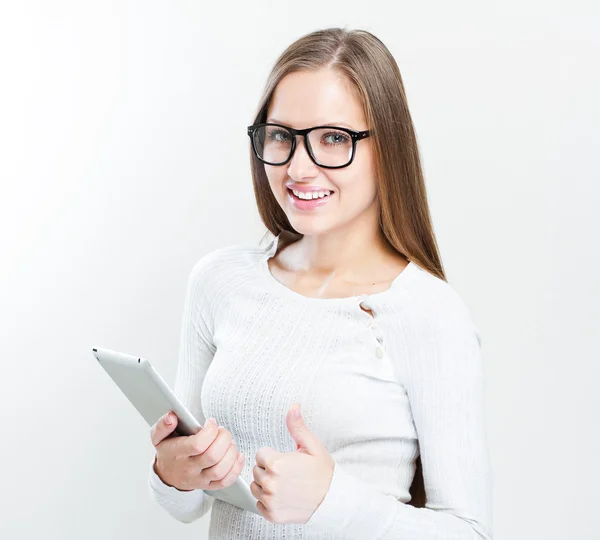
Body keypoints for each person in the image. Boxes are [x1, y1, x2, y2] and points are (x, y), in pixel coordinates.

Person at [147, 27, 493, 540]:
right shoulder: (220, 281)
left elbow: (471, 532)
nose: (298, 167)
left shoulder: (428, 312)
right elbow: (187, 504)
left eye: (333, 138)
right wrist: (172, 474)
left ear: (387, 148)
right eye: (282, 135)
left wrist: (332, 501)